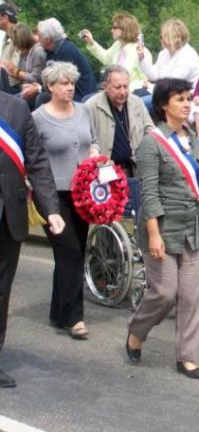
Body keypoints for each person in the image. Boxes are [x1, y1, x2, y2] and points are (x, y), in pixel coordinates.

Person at [126, 78, 199, 379]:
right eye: (180, 99)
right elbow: (147, 191)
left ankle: (187, 356)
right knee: (164, 292)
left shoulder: (193, 139)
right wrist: (154, 234)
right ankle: (137, 330)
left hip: (193, 228)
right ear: (163, 105)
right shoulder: (152, 143)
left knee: (192, 295)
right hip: (161, 227)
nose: (187, 104)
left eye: (189, 98)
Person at [0, 90, 65, 388]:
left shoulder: (16, 108)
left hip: (8, 216)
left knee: (1, 292)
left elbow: (37, 163)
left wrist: (51, 209)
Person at [32, 62, 100, 340]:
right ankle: (74, 318)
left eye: (72, 82)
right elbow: (33, 158)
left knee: (74, 253)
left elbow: (92, 141)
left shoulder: (83, 110)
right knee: (69, 251)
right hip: (52, 196)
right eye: (63, 83)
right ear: (50, 87)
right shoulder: (37, 118)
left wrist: (95, 153)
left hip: (83, 194)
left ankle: (58, 312)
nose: (69, 87)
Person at [85, 64, 155, 175]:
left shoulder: (137, 102)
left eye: (126, 86)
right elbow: (86, 141)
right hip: (105, 173)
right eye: (118, 87)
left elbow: (149, 129)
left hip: (135, 169)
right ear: (105, 86)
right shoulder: (91, 106)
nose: (123, 92)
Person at [35, 18, 97, 102]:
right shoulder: (53, 51)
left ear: (48, 40)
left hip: (81, 96)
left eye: (39, 36)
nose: (37, 39)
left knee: (42, 98)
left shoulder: (66, 52)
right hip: (70, 92)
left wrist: (38, 89)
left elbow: (60, 82)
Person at [138, 18, 199, 88]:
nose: (161, 39)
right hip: (167, 94)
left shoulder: (188, 55)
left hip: (186, 95)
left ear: (174, 38)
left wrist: (150, 86)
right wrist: (142, 58)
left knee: (141, 98)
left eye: (163, 36)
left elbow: (172, 84)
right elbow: (155, 76)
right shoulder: (164, 53)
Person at [4, 22, 47, 109]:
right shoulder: (24, 53)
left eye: (15, 42)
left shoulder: (37, 51)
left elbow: (36, 78)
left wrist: (16, 72)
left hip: (39, 92)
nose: (15, 45)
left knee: (10, 105)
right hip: (25, 90)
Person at [0, 3, 20, 93]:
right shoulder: (8, 36)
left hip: (13, 87)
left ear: (5, 18)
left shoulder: (18, 35)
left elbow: (15, 66)